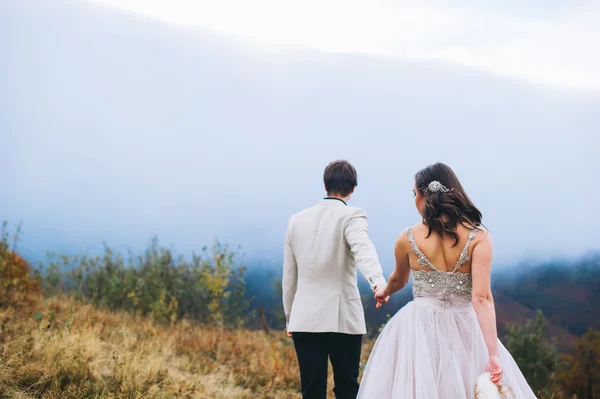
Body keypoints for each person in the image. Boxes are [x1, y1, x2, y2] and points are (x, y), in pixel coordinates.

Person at [358, 162, 537, 398]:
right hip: (466, 328)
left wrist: (384, 290)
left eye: (415, 194)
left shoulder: (407, 237)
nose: (414, 201)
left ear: (426, 195)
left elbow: (399, 280)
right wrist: (492, 354)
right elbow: (482, 298)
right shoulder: (478, 237)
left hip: (418, 326)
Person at [282, 160, 388, 399]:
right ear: (353, 188)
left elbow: (290, 275)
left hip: (304, 319)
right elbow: (364, 249)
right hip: (343, 318)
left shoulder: (296, 220)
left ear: (324, 185)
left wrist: (290, 316)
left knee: (311, 390)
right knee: (347, 388)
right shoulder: (352, 216)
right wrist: (377, 283)